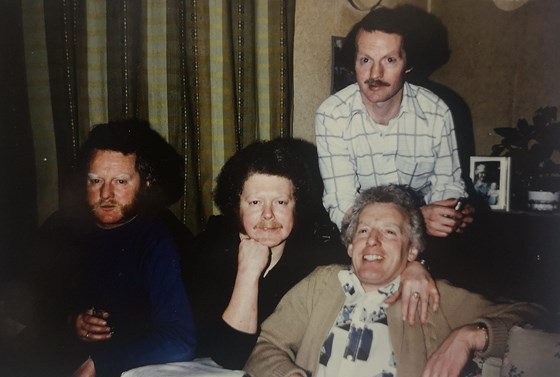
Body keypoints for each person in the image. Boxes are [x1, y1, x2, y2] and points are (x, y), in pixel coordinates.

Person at [185, 139, 437, 370]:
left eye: (281, 202)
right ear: (235, 204)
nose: (268, 215)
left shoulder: (318, 254)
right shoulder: (209, 251)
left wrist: (415, 265)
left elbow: (378, 256)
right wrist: (248, 273)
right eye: (255, 202)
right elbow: (229, 356)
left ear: (297, 206)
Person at [245, 185, 548, 377]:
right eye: (363, 231)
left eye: (390, 232)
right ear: (350, 246)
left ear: (412, 250)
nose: (373, 242)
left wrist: (469, 336)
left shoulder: (431, 294)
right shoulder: (321, 284)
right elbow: (267, 345)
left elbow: (539, 320)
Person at [12, 119, 197, 377]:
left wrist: (103, 362)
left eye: (121, 181)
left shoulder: (161, 239)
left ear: (147, 182)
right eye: (95, 181)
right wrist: (71, 321)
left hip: (124, 365)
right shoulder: (60, 226)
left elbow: (180, 340)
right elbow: (26, 304)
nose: (106, 194)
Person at [315, 6, 473, 238]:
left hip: (428, 240)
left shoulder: (436, 113)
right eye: (365, 60)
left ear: (408, 64)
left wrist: (451, 214)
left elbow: (448, 186)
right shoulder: (332, 115)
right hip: (361, 237)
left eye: (389, 60)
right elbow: (343, 208)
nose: (375, 73)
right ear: (353, 63)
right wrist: (415, 218)